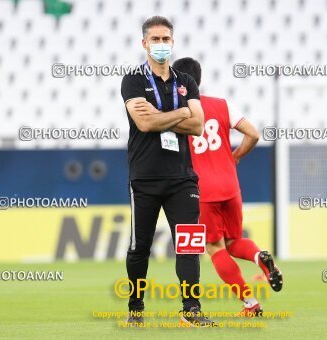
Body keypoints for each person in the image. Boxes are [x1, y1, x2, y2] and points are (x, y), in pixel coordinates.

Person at [120, 17, 215, 327]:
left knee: (189, 245)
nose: (162, 44)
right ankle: (136, 306)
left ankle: (192, 311)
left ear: (173, 41)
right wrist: (182, 112)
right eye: (155, 39)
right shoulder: (133, 80)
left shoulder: (187, 80)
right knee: (140, 248)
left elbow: (198, 125)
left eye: (166, 38)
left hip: (182, 178)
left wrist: (161, 114)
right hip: (144, 178)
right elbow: (144, 124)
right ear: (144, 43)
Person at [173, 57, 284, 316]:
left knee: (214, 248)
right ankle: (260, 259)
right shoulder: (223, 104)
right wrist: (235, 157)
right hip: (230, 185)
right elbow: (254, 134)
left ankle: (251, 304)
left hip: (202, 190)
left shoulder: (178, 113)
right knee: (235, 241)